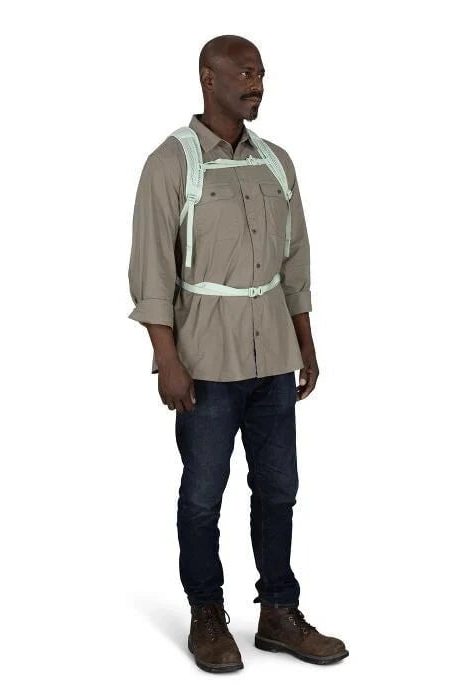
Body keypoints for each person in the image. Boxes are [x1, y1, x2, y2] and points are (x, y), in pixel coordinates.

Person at [127, 34, 348, 673]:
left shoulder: (277, 162)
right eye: (245, 73)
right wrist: (167, 360)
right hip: (205, 362)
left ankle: (279, 612)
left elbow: (295, 259)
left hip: (273, 357)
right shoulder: (171, 163)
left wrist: (305, 340)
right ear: (209, 78)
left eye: (261, 74)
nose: (257, 84)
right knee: (202, 496)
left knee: (279, 490)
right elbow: (151, 270)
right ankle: (207, 616)